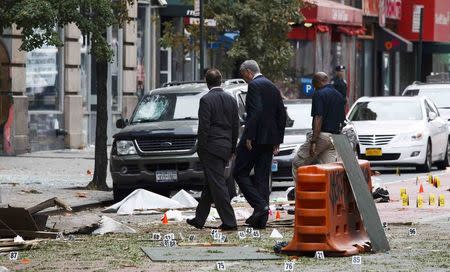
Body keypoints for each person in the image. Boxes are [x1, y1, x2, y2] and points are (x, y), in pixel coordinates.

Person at [234, 60, 286, 229]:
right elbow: (281, 114)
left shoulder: (255, 85)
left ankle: (260, 206)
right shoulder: (272, 86)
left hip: (255, 138)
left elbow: (254, 113)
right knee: (262, 177)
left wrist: (248, 136)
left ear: (249, 72)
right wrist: (278, 139)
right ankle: (261, 220)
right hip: (270, 139)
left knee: (239, 172)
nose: (245, 80)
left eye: (244, 76)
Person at [186, 68, 239, 231]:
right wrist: (232, 148)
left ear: (206, 82)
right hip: (225, 147)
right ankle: (199, 219)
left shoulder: (206, 100)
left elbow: (204, 127)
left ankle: (230, 221)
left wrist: (200, 148)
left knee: (217, 185)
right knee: (211, 184)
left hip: (211, 148)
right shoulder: (231, 99)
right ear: (221, 80)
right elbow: (235, 125)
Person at [291, 72, 345, 180]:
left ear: (319, 82)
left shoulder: (319, 94)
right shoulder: (339, 95)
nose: (314, 88)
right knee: (329, 171)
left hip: (322, 136)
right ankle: (329, 196)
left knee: (297, 163)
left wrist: (313, 141)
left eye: (314, 84)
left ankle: (301, 196)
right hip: (334, 138)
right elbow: (342, 119)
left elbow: (318, 118)